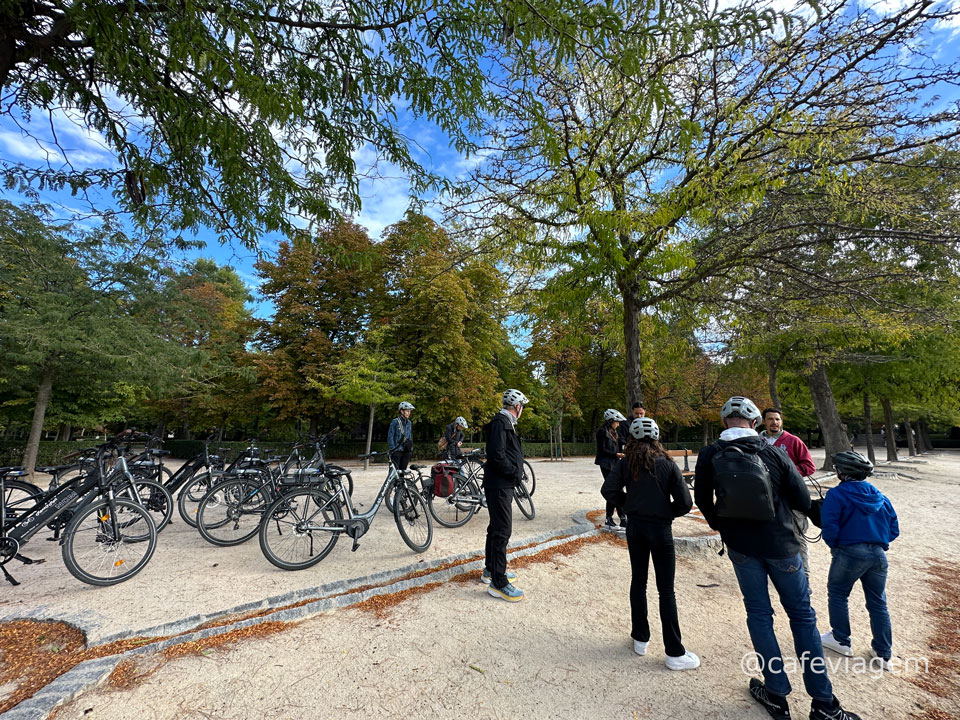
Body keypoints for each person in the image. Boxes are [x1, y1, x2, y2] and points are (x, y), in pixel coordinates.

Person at [695, 396, 861, 720]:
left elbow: (702, 499)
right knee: (802, 617)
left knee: (759, 616)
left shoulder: (710, 454)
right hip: (782, 546)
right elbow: (800, 498)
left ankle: (776, 693)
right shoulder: (772, 451)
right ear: (756, 422)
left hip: (741, 549)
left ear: (724, 422)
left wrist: (723, 527)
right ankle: (823, 702)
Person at [601, 417, 698, 670]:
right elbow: (686, 503)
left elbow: (608, 491)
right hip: (660, 529)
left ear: (631, 438)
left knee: (638, 582)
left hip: (635, 527)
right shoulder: (667, 464)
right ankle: (674, 652)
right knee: (666, 590)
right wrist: (667, 511)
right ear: (657, 438)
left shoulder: (626, 464)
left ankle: (640, 638)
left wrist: (629, 504)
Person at [820, 451, 899, 672]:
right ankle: (883, 653)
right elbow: (894, 529)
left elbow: (830, 527)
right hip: (878, 555)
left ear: (842, 473)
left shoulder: (836, 495)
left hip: (849, 552)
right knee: (878, 602)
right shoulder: (881, 497)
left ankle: (841, 639)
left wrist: (836, 546)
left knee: (837, 593)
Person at [760, 407, 817, 581]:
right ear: (764, 421)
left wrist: (788, 473)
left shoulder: (793, 441)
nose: (774, 422)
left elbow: (809, 467)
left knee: (797, 537)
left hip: (791, 499)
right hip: (765, 499)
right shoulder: (757, 441)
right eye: (770, 419)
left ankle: (804, 577)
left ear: (781, 421)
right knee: (766, 535)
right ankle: (774, 573)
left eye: (777, 419)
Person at [482, 389, 528, 602]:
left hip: (501, 484)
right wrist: (513, 472)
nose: (523, 410)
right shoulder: (501, 422)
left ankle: (491, 570)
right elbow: (496, 455)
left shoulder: (505, 422)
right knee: (502, 531)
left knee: (495, 529)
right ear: (517, 406)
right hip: (500, 484)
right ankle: (498, 583)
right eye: (522, 407)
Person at [596, 409, 627, 530]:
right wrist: (616, 455)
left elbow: (620, 444)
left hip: (614, 463)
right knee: (614, 489)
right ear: (610, 421)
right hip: (605, 464)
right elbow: (602, 450)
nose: (618, 424)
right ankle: (611, 518)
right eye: (617, 422)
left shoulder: (614, 433)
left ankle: (622, 518)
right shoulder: (602, 432)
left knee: (617, 488)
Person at [387, 401, 415, 471]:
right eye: (407, 411)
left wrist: (410, 448)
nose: (409, 413)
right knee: (394, 473)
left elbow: (409, 436)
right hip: (397, 450)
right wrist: (393, 450)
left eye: (410, 411)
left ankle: (401, 482)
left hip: (406, 450)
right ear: (401, 411)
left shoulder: (409, 423)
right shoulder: (395, 422)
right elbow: (390, 436)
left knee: (403, 472)